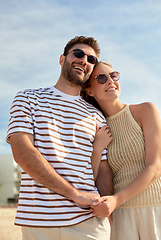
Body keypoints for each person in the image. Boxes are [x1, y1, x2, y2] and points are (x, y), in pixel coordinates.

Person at [6, 36, 113, 240]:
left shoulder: (97, 116)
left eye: (91, 59)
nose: (84, 60)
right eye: (79, 54)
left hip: (89, 221)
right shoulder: (27, 98)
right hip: (39, 222)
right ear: (62, 59)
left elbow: (103, 170)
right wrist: (75, 194)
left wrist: (108, 214)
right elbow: (22, 153)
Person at [81, 60, 161, 240]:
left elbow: (155, 167)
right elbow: (91, 176)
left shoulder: (145, 110)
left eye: (113, 75)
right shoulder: (94, 129)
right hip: (120, 217)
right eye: (101, 78)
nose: (110, 81)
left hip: (155, 209)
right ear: (90, 90)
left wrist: (117, 200)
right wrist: (97, 149)